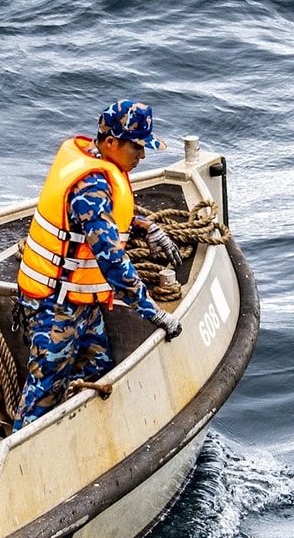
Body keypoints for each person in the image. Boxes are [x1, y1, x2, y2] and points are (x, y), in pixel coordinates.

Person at [14, 99, 183, 429]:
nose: (142, 156)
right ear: (110, 143)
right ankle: (21, 469)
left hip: (82, 305)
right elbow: (110, 258)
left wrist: (144, 226)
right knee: (41, 398)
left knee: (98, 371)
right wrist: (154, 312)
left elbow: (95, 220)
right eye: (136, 147)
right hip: (55, 309)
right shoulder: (90, 184)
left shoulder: (95, 165)